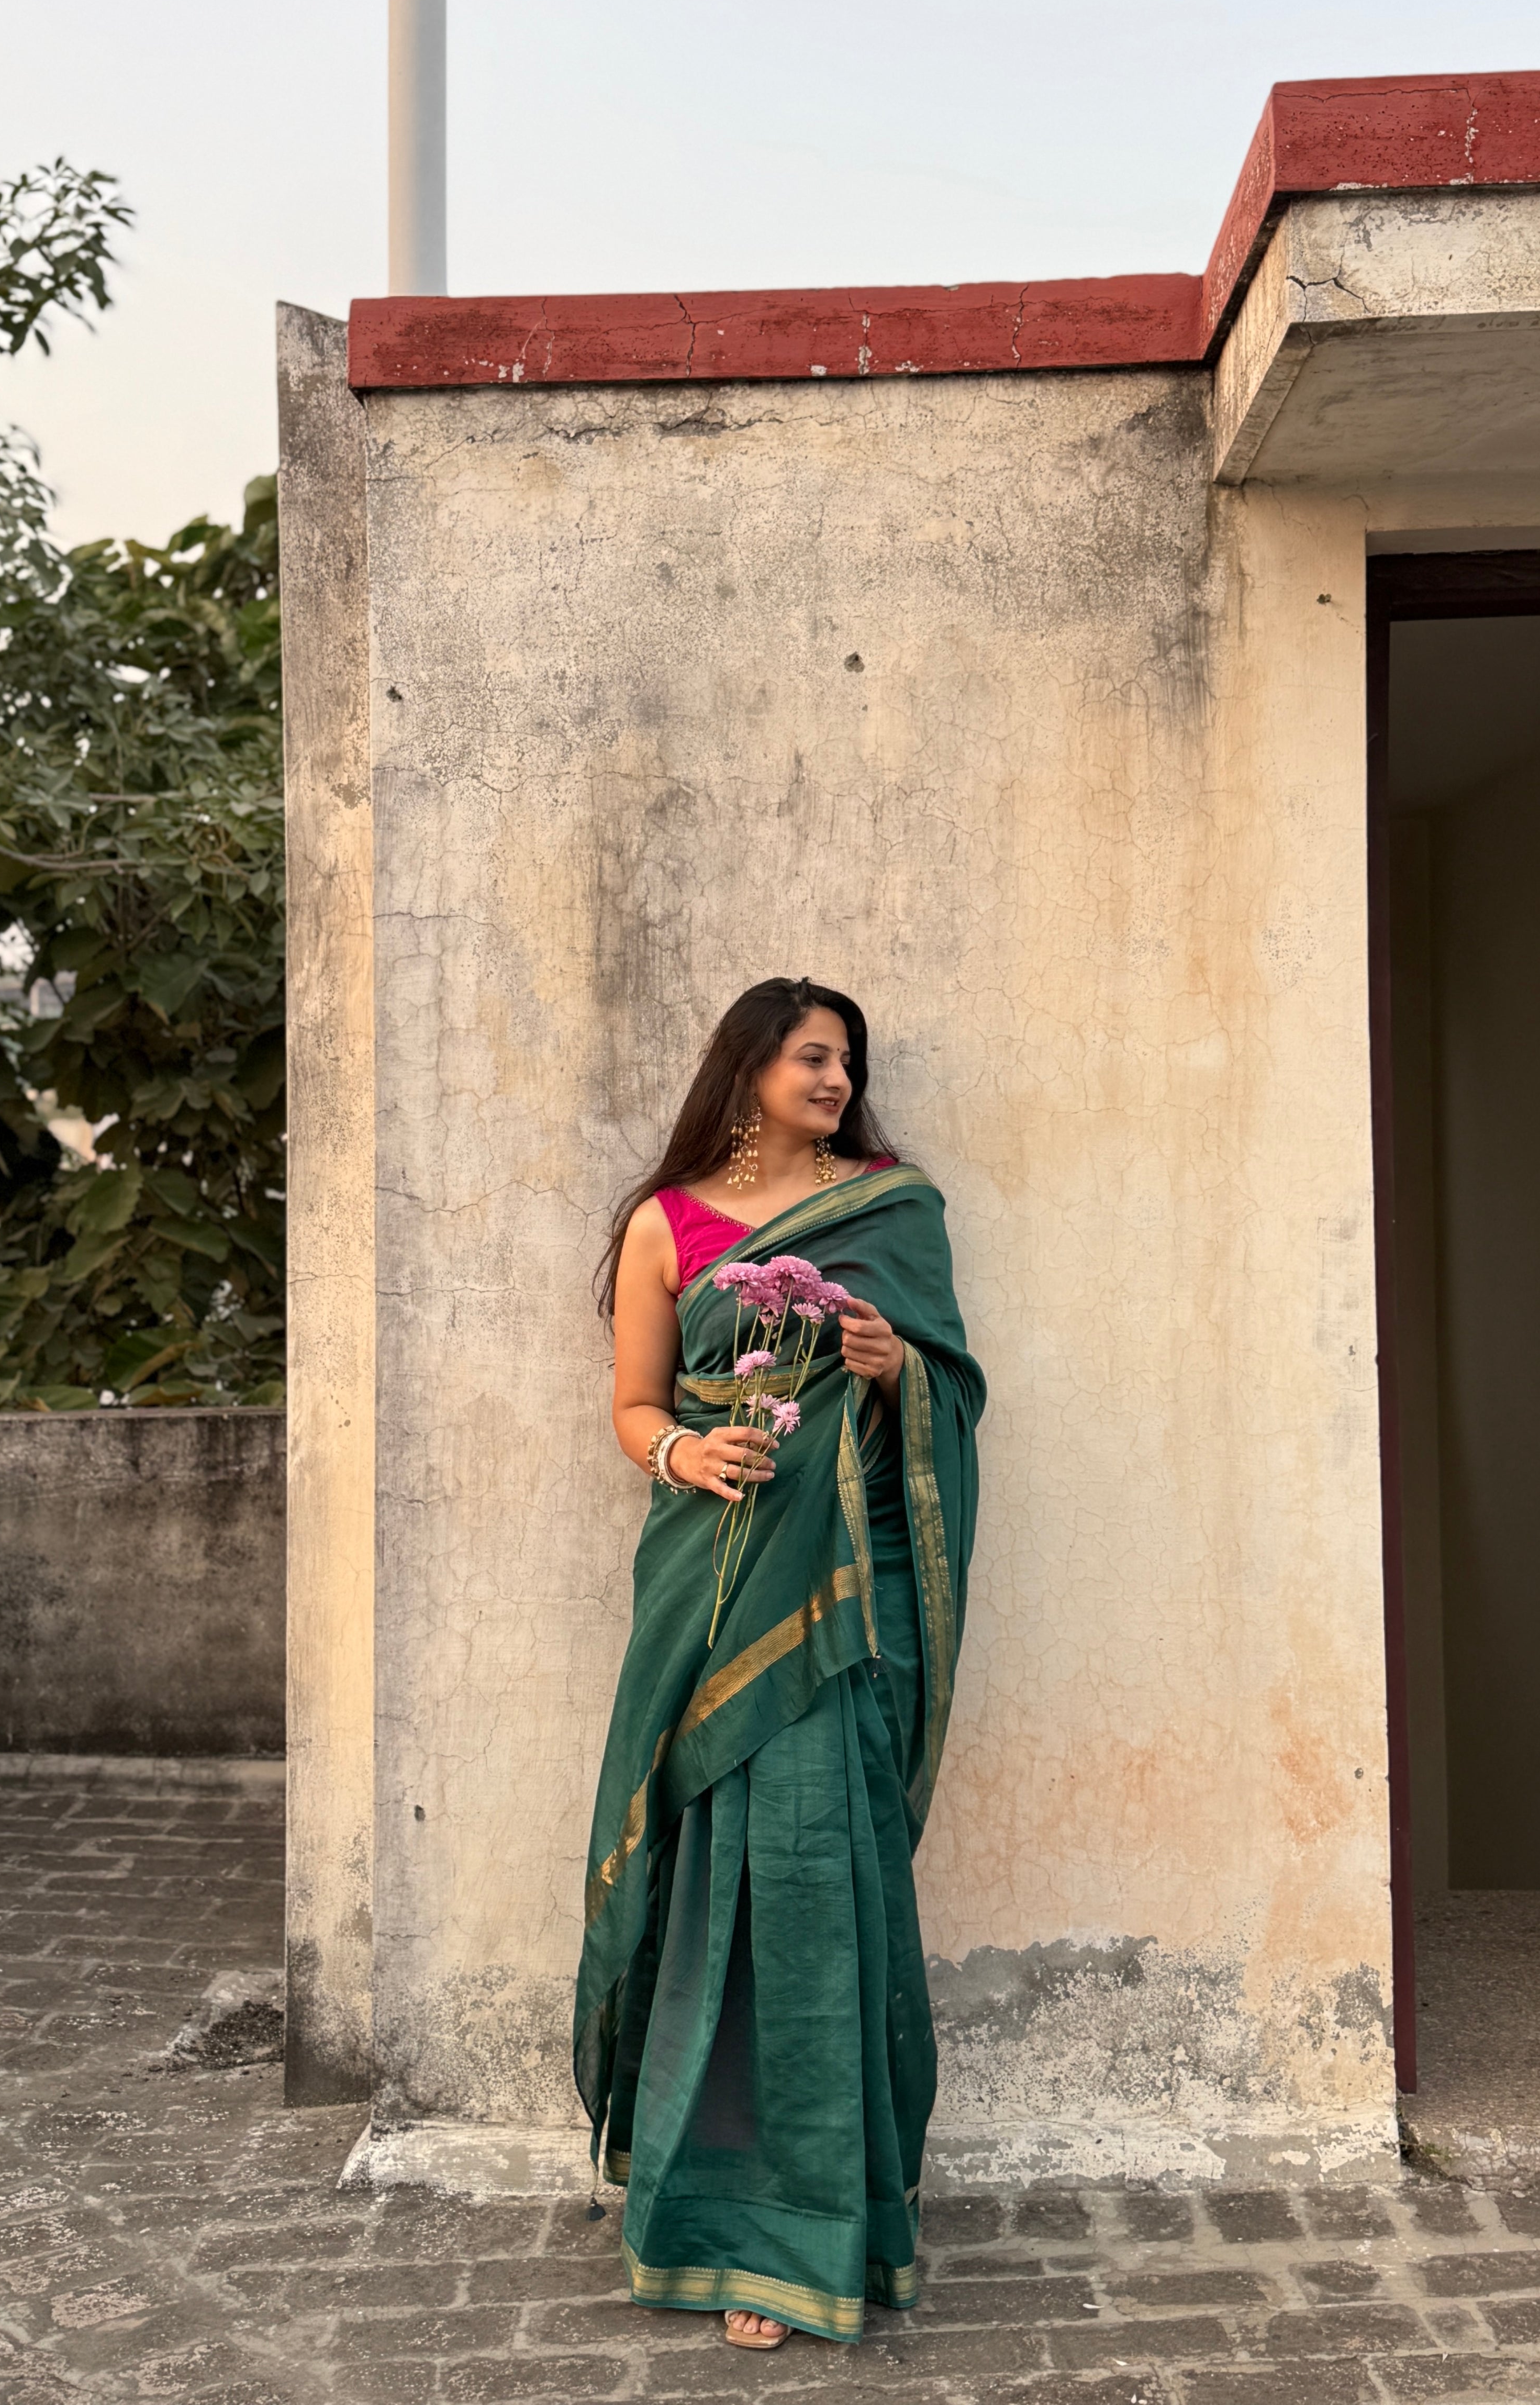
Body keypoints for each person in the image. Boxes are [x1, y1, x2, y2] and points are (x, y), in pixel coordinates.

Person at [577, 976, 985, 2351]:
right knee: (713, 1909)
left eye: (847, 1063)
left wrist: (884, 1365)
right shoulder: (664, 1223)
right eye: (814, 1057)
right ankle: (706, 2212)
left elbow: (946, 1392)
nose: (835, 1079)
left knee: (821, 1899)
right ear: (749, 1065)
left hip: (839, 1610)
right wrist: (689, 1450)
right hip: (707, 1598)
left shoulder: (891, 1208)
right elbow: (636, 1408)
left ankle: (813, 2227)